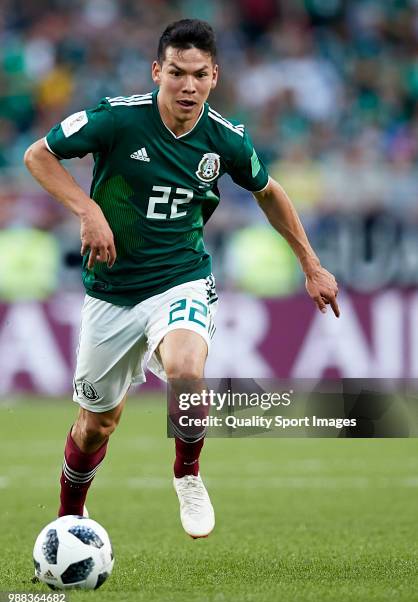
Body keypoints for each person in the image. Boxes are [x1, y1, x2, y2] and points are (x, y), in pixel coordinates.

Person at [24, 19, 339, 539]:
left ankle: (187, 474)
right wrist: (88, 210)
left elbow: (269, 191)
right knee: (95, 424)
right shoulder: (118, 120)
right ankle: (68, 519)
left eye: (198, 75)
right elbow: (38, 155)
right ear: (157, 71)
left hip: (181, 277)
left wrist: (311, 263)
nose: (187, 86)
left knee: (187, 370)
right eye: (176, 73)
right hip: (112, 292)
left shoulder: (225, 139)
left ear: (214, 76)